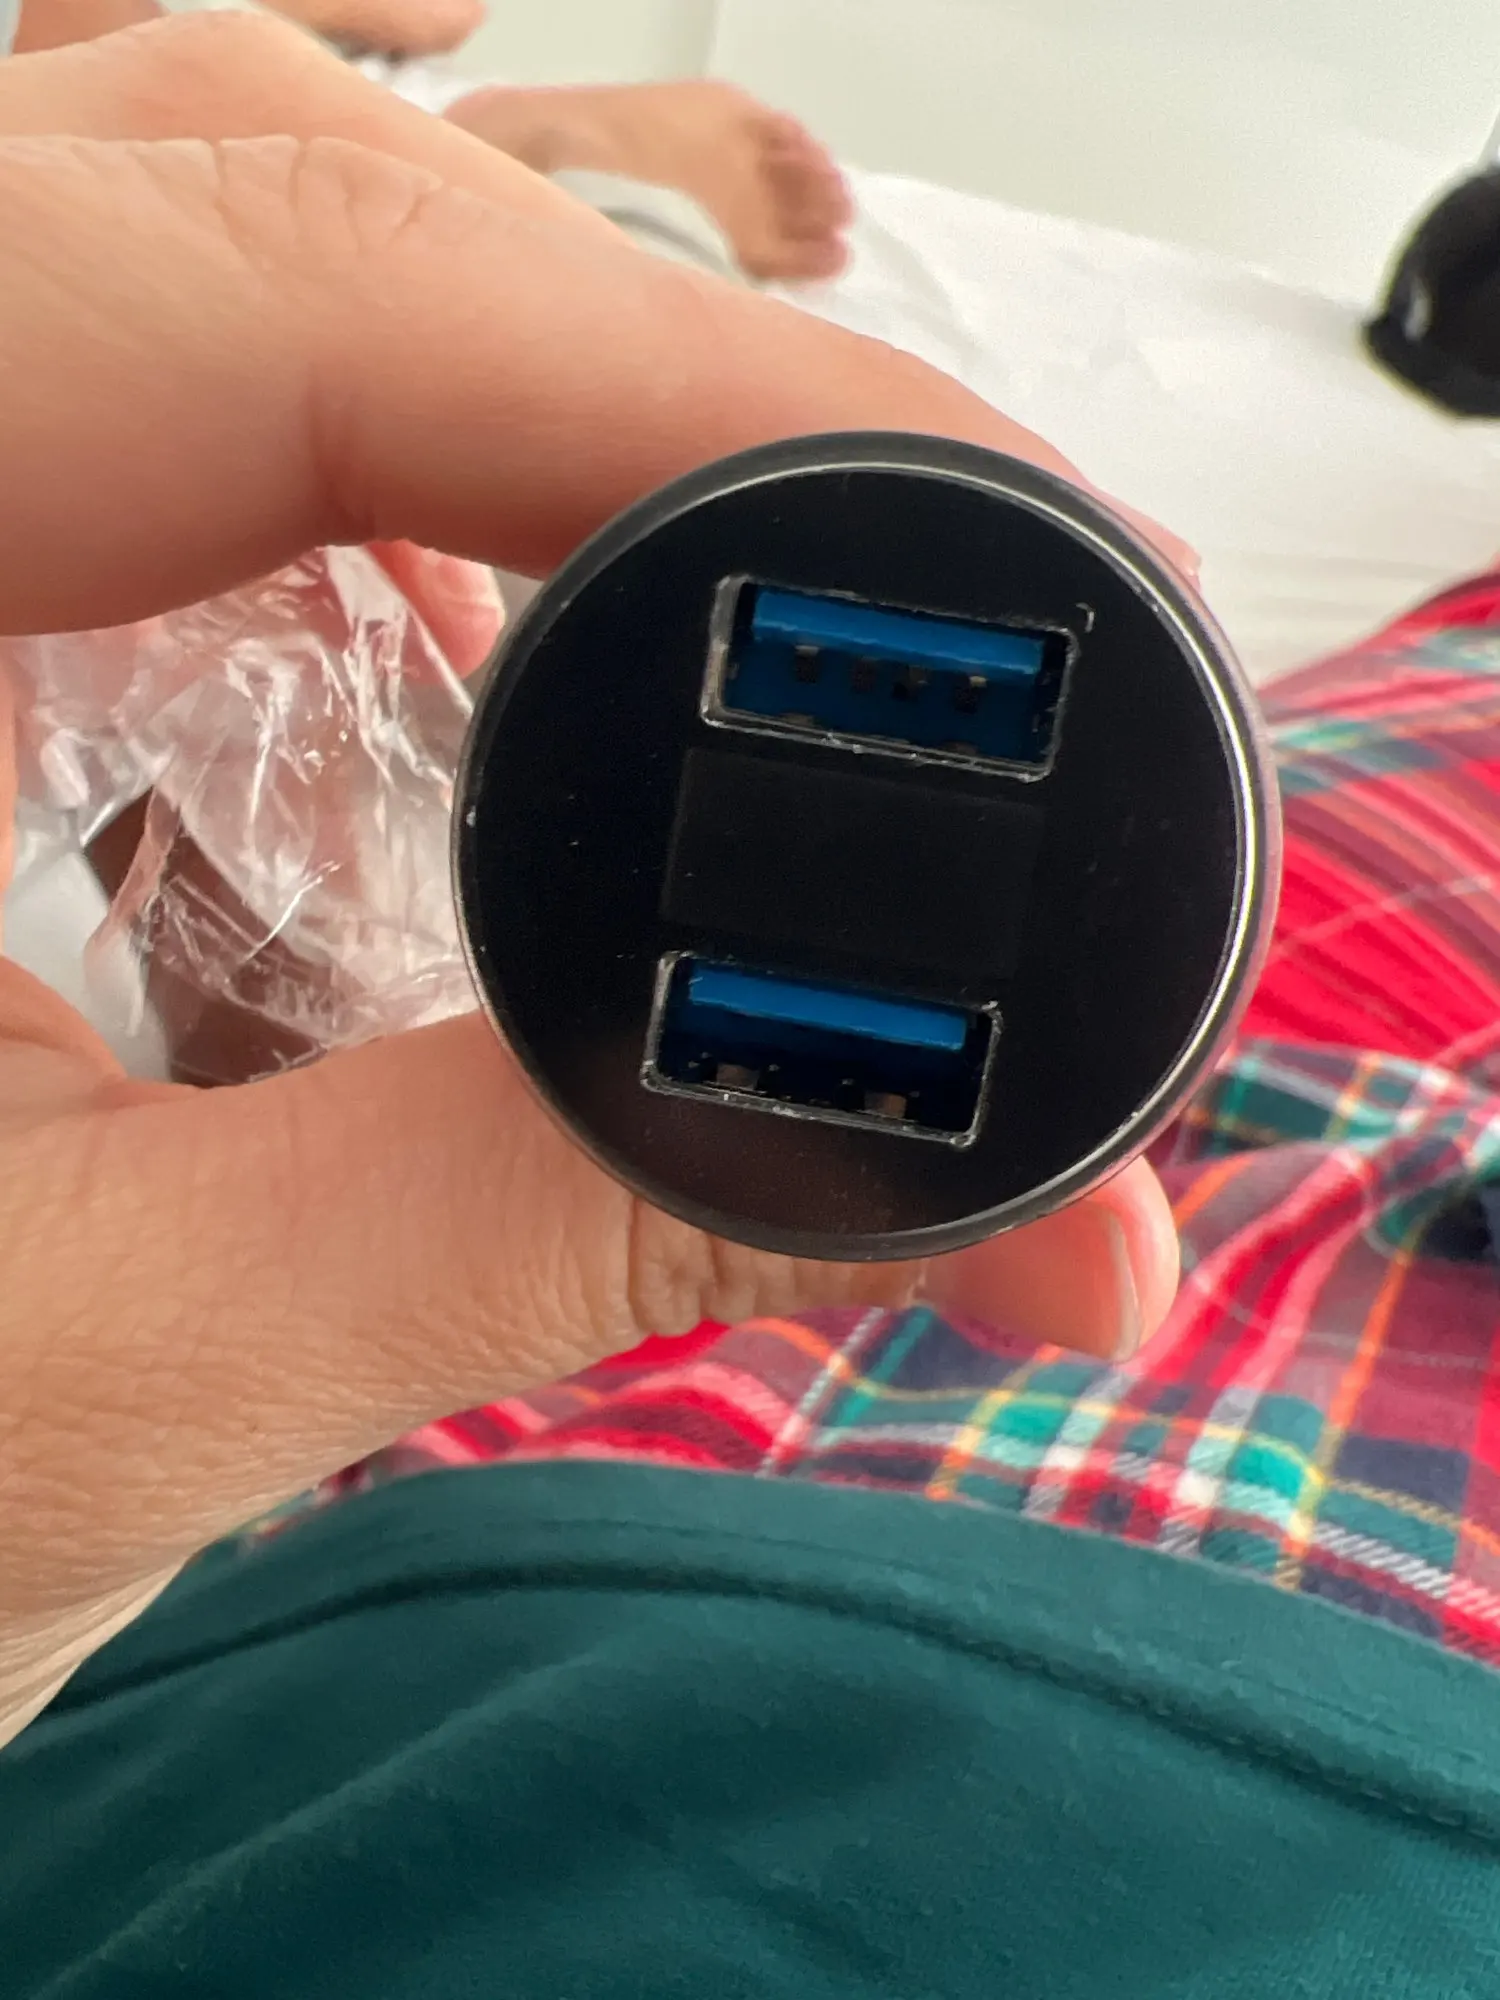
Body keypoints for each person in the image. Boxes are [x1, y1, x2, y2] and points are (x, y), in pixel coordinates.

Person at [2, 14, 1500, 1999]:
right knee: (611, 427)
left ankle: (546, 156)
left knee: (575, 472)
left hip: (392, 1593)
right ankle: (563, 168)